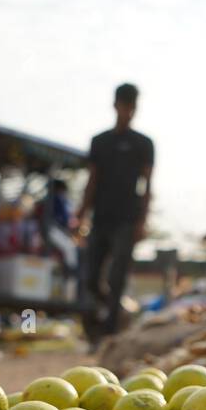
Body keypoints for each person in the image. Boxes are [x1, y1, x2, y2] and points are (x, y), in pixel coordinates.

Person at [72, 83, 154, 338]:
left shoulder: (143, 144)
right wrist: (81, 215)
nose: (128, 111)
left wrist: (142, 221)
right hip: (101, 218)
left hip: (127, 220)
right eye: (124, 105)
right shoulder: (100, 142)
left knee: (118, 276)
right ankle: (114, 313)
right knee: (91, 278)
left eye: (132, 107)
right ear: (115, 105)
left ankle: (108, 333)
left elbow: (148, 185)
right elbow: (92, 181)